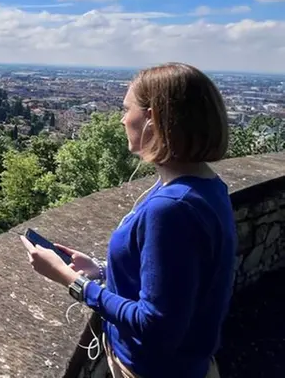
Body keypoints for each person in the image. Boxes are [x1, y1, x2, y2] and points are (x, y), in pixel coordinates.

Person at [19, 63, 235, 378]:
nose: (122, 119)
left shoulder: (172, 208)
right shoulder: (203, 186)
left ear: (153, 119)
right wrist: (103, 272)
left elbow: (157, 325)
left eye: (126, 109)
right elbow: (178, 283)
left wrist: (72, 281)